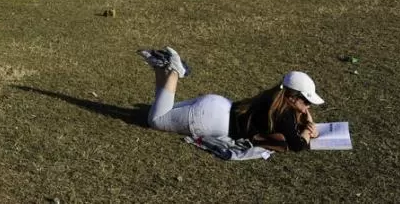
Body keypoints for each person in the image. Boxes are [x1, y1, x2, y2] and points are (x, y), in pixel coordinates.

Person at [138, 47, 323, 152]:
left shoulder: (272, 96)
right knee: (156, 120)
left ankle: (160, 67)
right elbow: (298, 145)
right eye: (306, 101)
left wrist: (305, 120)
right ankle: (175, 71)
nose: (307, 107)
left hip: (217, 105)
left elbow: (288, 129)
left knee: (161, 110)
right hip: (209, 120)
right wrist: (307, 130)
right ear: (292, 97)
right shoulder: (284, 114)